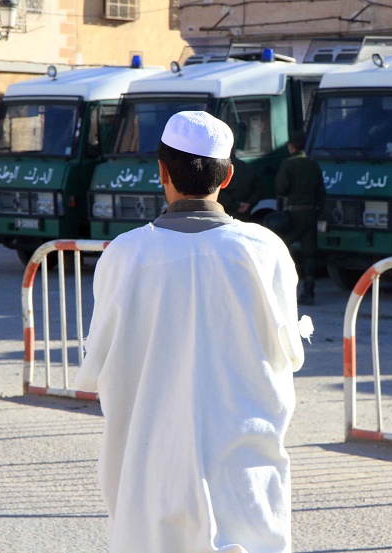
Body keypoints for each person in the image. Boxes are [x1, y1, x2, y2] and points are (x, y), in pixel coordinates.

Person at [75, 111, 307, 553]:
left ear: (161, 170)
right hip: (243, 474)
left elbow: (98, 365)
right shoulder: (265, 251)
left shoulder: (125, 255)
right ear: (229, 176)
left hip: (150, 471)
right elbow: (289, 355)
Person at [274, 131, 325, 305]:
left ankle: (284, 287)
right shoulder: (313, 164)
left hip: (294, 213)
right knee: (310, 252)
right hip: (311, 213)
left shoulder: (288, 164)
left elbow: (281, 189)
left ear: (291, 146)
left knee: (284, 248)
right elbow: (321, 192)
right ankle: (309, 291)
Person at [217, 152, 260, 221]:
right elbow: (258, 189)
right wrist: (249, 203)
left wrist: (235, 205)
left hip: (227, 211)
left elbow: (219, 192)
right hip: (245, 211)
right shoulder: (248, 167)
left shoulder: (221, 169)